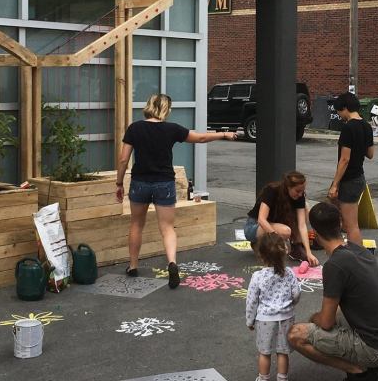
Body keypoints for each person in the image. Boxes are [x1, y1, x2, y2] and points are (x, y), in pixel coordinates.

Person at [116, 93, 236, 289]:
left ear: (148, 106)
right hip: (164, 183)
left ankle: (133, 266)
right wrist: (223, 134)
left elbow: (123, 160)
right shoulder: (171, 129)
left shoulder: (135, 128)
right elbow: (202, 137)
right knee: (167, 228)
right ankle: (172, 263)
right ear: (166, 109)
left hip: (140, 182)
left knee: (137, 224)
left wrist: (119, 183)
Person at [288, 203, 378, 381]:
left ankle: (359, 370)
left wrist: (314, 320)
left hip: (376, 348)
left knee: (296, 334)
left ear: (315, 234)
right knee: (338, 313)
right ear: (340, 224)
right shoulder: (357, 249)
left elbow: (326, 322)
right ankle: (373, 366)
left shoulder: (334, 265)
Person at [246, 232, 302, 381]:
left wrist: (250, 320)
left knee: (265, 352)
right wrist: (290, 305)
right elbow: (296, 294)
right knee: (282, 351)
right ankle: (282, 378)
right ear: (284, 253)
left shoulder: (258, 276)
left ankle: (263, 378)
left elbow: (252, 301)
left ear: (261, 255)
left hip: (265, 320)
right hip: (286, 317)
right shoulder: (289, 273)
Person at [327, 92, 374, 247]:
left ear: (345, 108)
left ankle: (357, 257)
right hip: (360, 176)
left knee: (351, 225)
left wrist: (335, 184)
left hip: (350, 179)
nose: (339, 115)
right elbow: (370, 154)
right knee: (347, 221)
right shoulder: (366, 126)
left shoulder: (348, 128)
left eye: (339, 111)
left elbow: (345, 159)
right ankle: (349, 250)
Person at [244, 171, 319, 266]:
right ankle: (259, 243)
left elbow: (302, 225)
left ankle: (297, 247)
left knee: (305, 207)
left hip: (273, 223)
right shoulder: (271, 190)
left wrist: (308, 252)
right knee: (285, 231)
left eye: (302, 191)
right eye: (297, 191)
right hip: (254, 227)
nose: (300, 194)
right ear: (288, 187)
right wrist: (277, 241)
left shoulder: (299, 196)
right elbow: (261, 220)